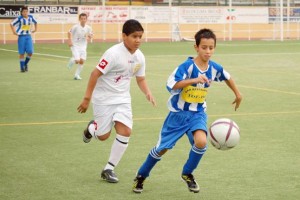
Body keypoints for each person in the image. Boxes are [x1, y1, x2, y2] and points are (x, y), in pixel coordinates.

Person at [132, 28, 242, 193]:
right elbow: (171, 85)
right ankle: (141, 175)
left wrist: (238, 94)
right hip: (178, 115)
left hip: (197, 114)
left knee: (201, 142)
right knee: (162, 149)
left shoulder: (213, 67)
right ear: (196, 47)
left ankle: (187, 173)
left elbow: (226, 76)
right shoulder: (186, 67)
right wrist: (194, 80)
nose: (208, 51)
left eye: (211, 47)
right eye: (204, 47)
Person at [77, 19, 156, 183]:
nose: (138, 40)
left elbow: (140, 79)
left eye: (140, 36)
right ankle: (92, 128)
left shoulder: (140, 57)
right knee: (103, 136)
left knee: (126, 132)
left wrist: (148, 92)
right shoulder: (113, 53)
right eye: (134, 36)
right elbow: (94, 74)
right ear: (124, 36)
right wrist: (86, 99)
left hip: (123, 100)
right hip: (103, 99)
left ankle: (108, 169)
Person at [10, 6, 37, 72]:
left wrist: (36, 29)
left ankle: (25, 64)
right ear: (21, 13)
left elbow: (35, 22)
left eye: (26, 11)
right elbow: (11, 24)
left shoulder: (31, 17)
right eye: (24, 12)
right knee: (22, 53)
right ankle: (22, 68)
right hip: (21, 37)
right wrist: (14, 31)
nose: (25, 13)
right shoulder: (19, 18)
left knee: (30, 52)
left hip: (28, 36)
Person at [67, 13, 93, 80]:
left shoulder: (88, 27)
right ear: (79, 19)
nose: (83, 20)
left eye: (84, 19)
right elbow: (69, 32)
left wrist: (89, 37)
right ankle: (72, 60)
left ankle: (76, 75)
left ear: (86, 19)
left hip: (83, 46)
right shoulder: (75, 27)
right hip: (75, 45)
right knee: (77, 60)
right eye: (82, 19)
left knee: (82, 61)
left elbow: (91, 34)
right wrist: (69, 41)